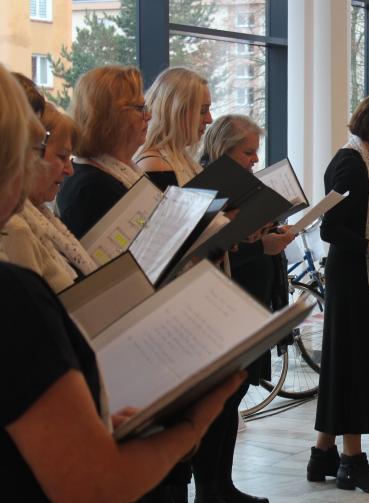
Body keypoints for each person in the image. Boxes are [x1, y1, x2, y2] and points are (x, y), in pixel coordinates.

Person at [0, 62, 245, 503]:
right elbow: (94, 484)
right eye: (36, 149)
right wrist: (191, 425)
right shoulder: (13, 288)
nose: (57, 168)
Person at [306, 91, 369, 494]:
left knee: (342, 365)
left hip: (354, 274)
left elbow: (357, 215)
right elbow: (331, 228)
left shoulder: (361, 159)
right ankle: (352, 462)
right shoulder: (351, 162)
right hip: (352, 276)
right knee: (354, 367)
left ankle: (322, 455)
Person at [194, 114, 295, 503]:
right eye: (248, 152)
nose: (255, 160)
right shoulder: (209, 185)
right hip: (225, 300)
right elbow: (216, 252)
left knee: (233, 396)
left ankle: (223, 483)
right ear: (223, 149)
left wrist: (269, 232)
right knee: (220, 400)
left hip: (251, 296)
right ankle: (209, 488)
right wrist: (260, 244)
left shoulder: (243, 186)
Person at [0, 101, 97, 292]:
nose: (70, 170)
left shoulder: (42, 216)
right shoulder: (15, 228)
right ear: (29, 155)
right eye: (62, 156)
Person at [57, 65, 150, 238]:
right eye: (140, 108)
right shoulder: (92, 188)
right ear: (111, 117)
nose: (149, 115)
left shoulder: (117, 172)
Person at [135, 66, 213, 186]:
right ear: (175, 112)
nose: (209, 120)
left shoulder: (181, 159)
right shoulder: (156, 165)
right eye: (202, 111)